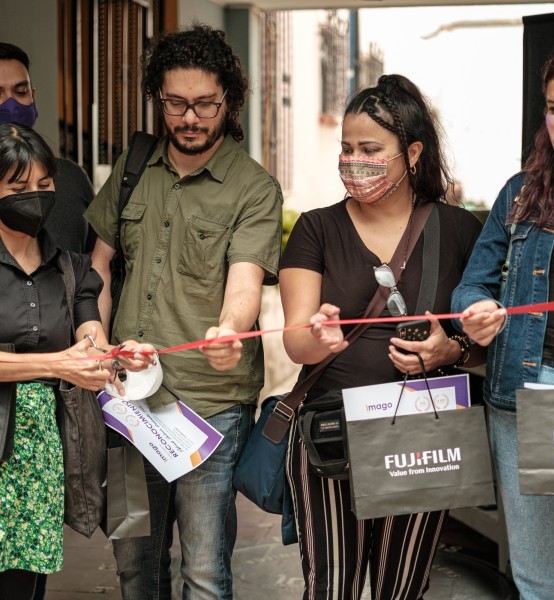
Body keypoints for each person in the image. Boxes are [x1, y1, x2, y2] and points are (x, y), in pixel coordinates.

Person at [84, 23, 283, 599]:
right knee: (134, 566)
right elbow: (98, 263)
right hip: (129, 399)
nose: (189, 118)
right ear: (158, 98)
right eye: (175, 103)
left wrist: (230, 330)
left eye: (204, 104)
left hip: (210, 404)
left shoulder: (253, 188)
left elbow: (245, 282)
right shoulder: (132, 168)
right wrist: (96, 337)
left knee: (204, 571)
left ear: (229, 101)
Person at [279, 74, 482, 600]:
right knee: (331, 588)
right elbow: (295, 343)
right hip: (330, 433)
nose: (354, 160)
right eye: (346, 149)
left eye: (370, 149)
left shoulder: (459, 231)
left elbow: (488, 332)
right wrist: (317, 338)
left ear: (412, 153)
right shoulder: (315, 228)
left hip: (424, 435)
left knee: (404, 588)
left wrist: (451, 348)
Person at [451, 33, 554, 600]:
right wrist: (475, 314)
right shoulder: (521, 193)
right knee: (541, 577)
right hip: (526, 399)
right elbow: (473, 285)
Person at [0, 123, 155, 600]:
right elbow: (65, 362)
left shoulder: (71, 268)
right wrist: (57, 365)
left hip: (38, 451)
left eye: (45, 185)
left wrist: (116, 355)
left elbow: (90, 338)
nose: (35, 196)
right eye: (18, 187)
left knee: (23, 584)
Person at [0, 42, 96, 254]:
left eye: (21, 92)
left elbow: (94, 261)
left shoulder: (71, 177)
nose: (11, 105)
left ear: (33, 95)